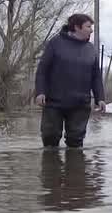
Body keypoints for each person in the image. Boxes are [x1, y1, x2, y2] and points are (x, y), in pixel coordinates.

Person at [34, 13, 106, 148]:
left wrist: (100, 98)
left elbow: (96, 76)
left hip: (80, 104)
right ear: (77, 27)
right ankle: (51, 167)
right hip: (54, 102)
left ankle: (74, 168)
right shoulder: (55, 43)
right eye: (88, 27)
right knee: (50, 139)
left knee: (76, 142)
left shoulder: (90, 49)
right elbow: (42, 70)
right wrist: (40, 92)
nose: (91, 30)